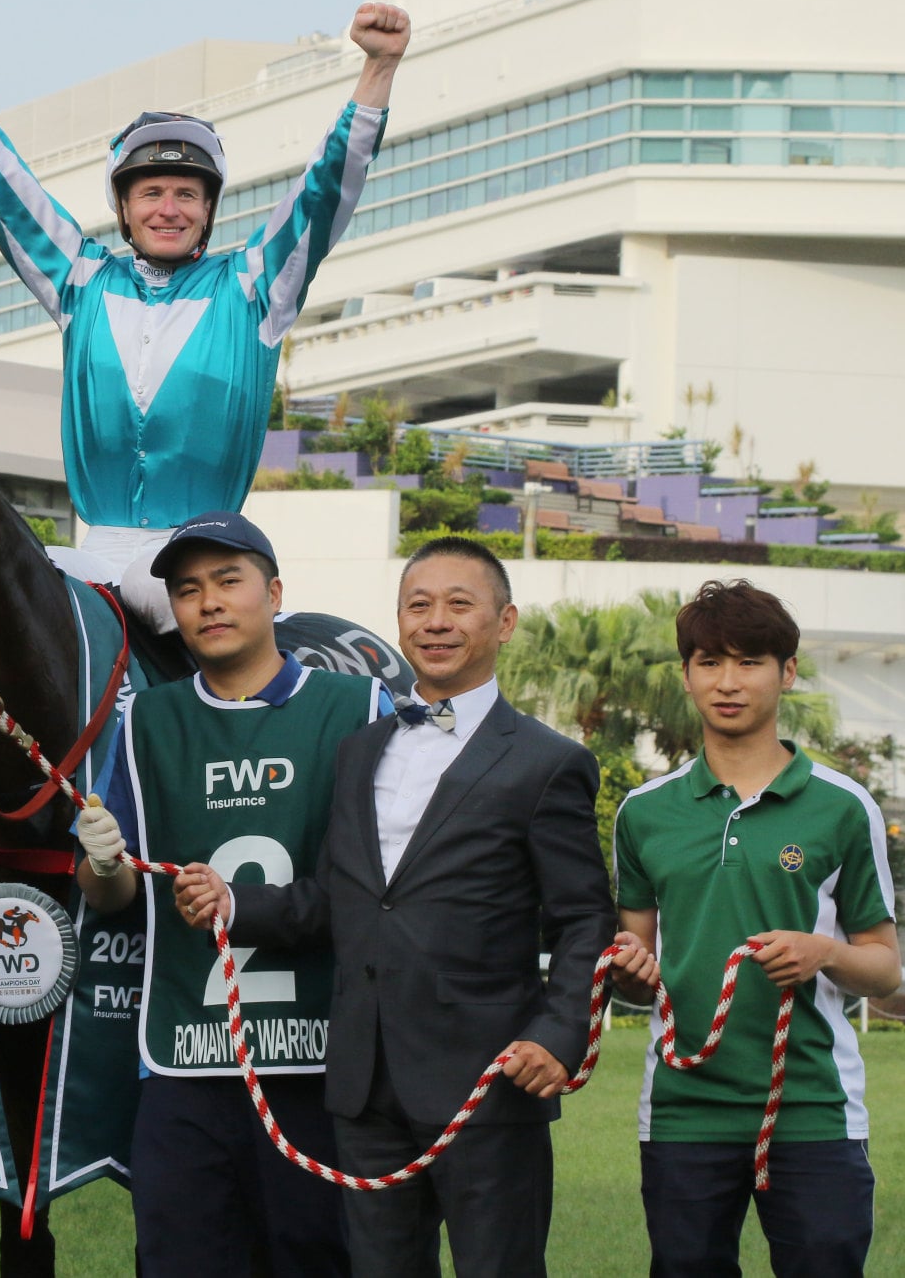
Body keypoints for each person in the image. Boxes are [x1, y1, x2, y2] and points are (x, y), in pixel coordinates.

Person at [173, 535, 615, 1277]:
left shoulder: (548, 762)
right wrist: (232, 901)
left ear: (503, 623)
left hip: (489, 1082)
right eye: (419, 604)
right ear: (401, 621)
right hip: (363, 1082)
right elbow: (335, 900)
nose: (435, 621)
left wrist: (561, 1033)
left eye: (458, 604)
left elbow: (584, 919)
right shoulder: (360, 749)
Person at [0, 0, 410, 632]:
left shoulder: (254, 287)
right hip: (90, 553)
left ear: (209, 209)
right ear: (125, 209)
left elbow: (326, 190)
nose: (170, 208)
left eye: (187, 193)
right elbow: (1, 185)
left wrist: (377, 70)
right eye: (151, 193)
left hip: (203, 559)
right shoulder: (81, 280)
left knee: (160, 601)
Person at [71, 512, 389, 1275]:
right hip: (185, 1063)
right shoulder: (145, 719)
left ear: (275, 592)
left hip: (320, 1067)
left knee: (319, 1258)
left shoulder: (360, 707)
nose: (207, 602)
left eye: (227, 581)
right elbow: (110, 896)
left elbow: (380, 892)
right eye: (186, 590)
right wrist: (104, 861)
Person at [607, 580, 900, 1278]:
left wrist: (823, 950)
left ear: (787, 671)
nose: (727, 681)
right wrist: (627, 970)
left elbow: (885, 967)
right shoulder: (644, 813)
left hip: (812, 1108)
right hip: (683, 1110)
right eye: (709, 662)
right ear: (687, 674)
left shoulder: (842, 807)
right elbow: (636, 969)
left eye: (749, 661)